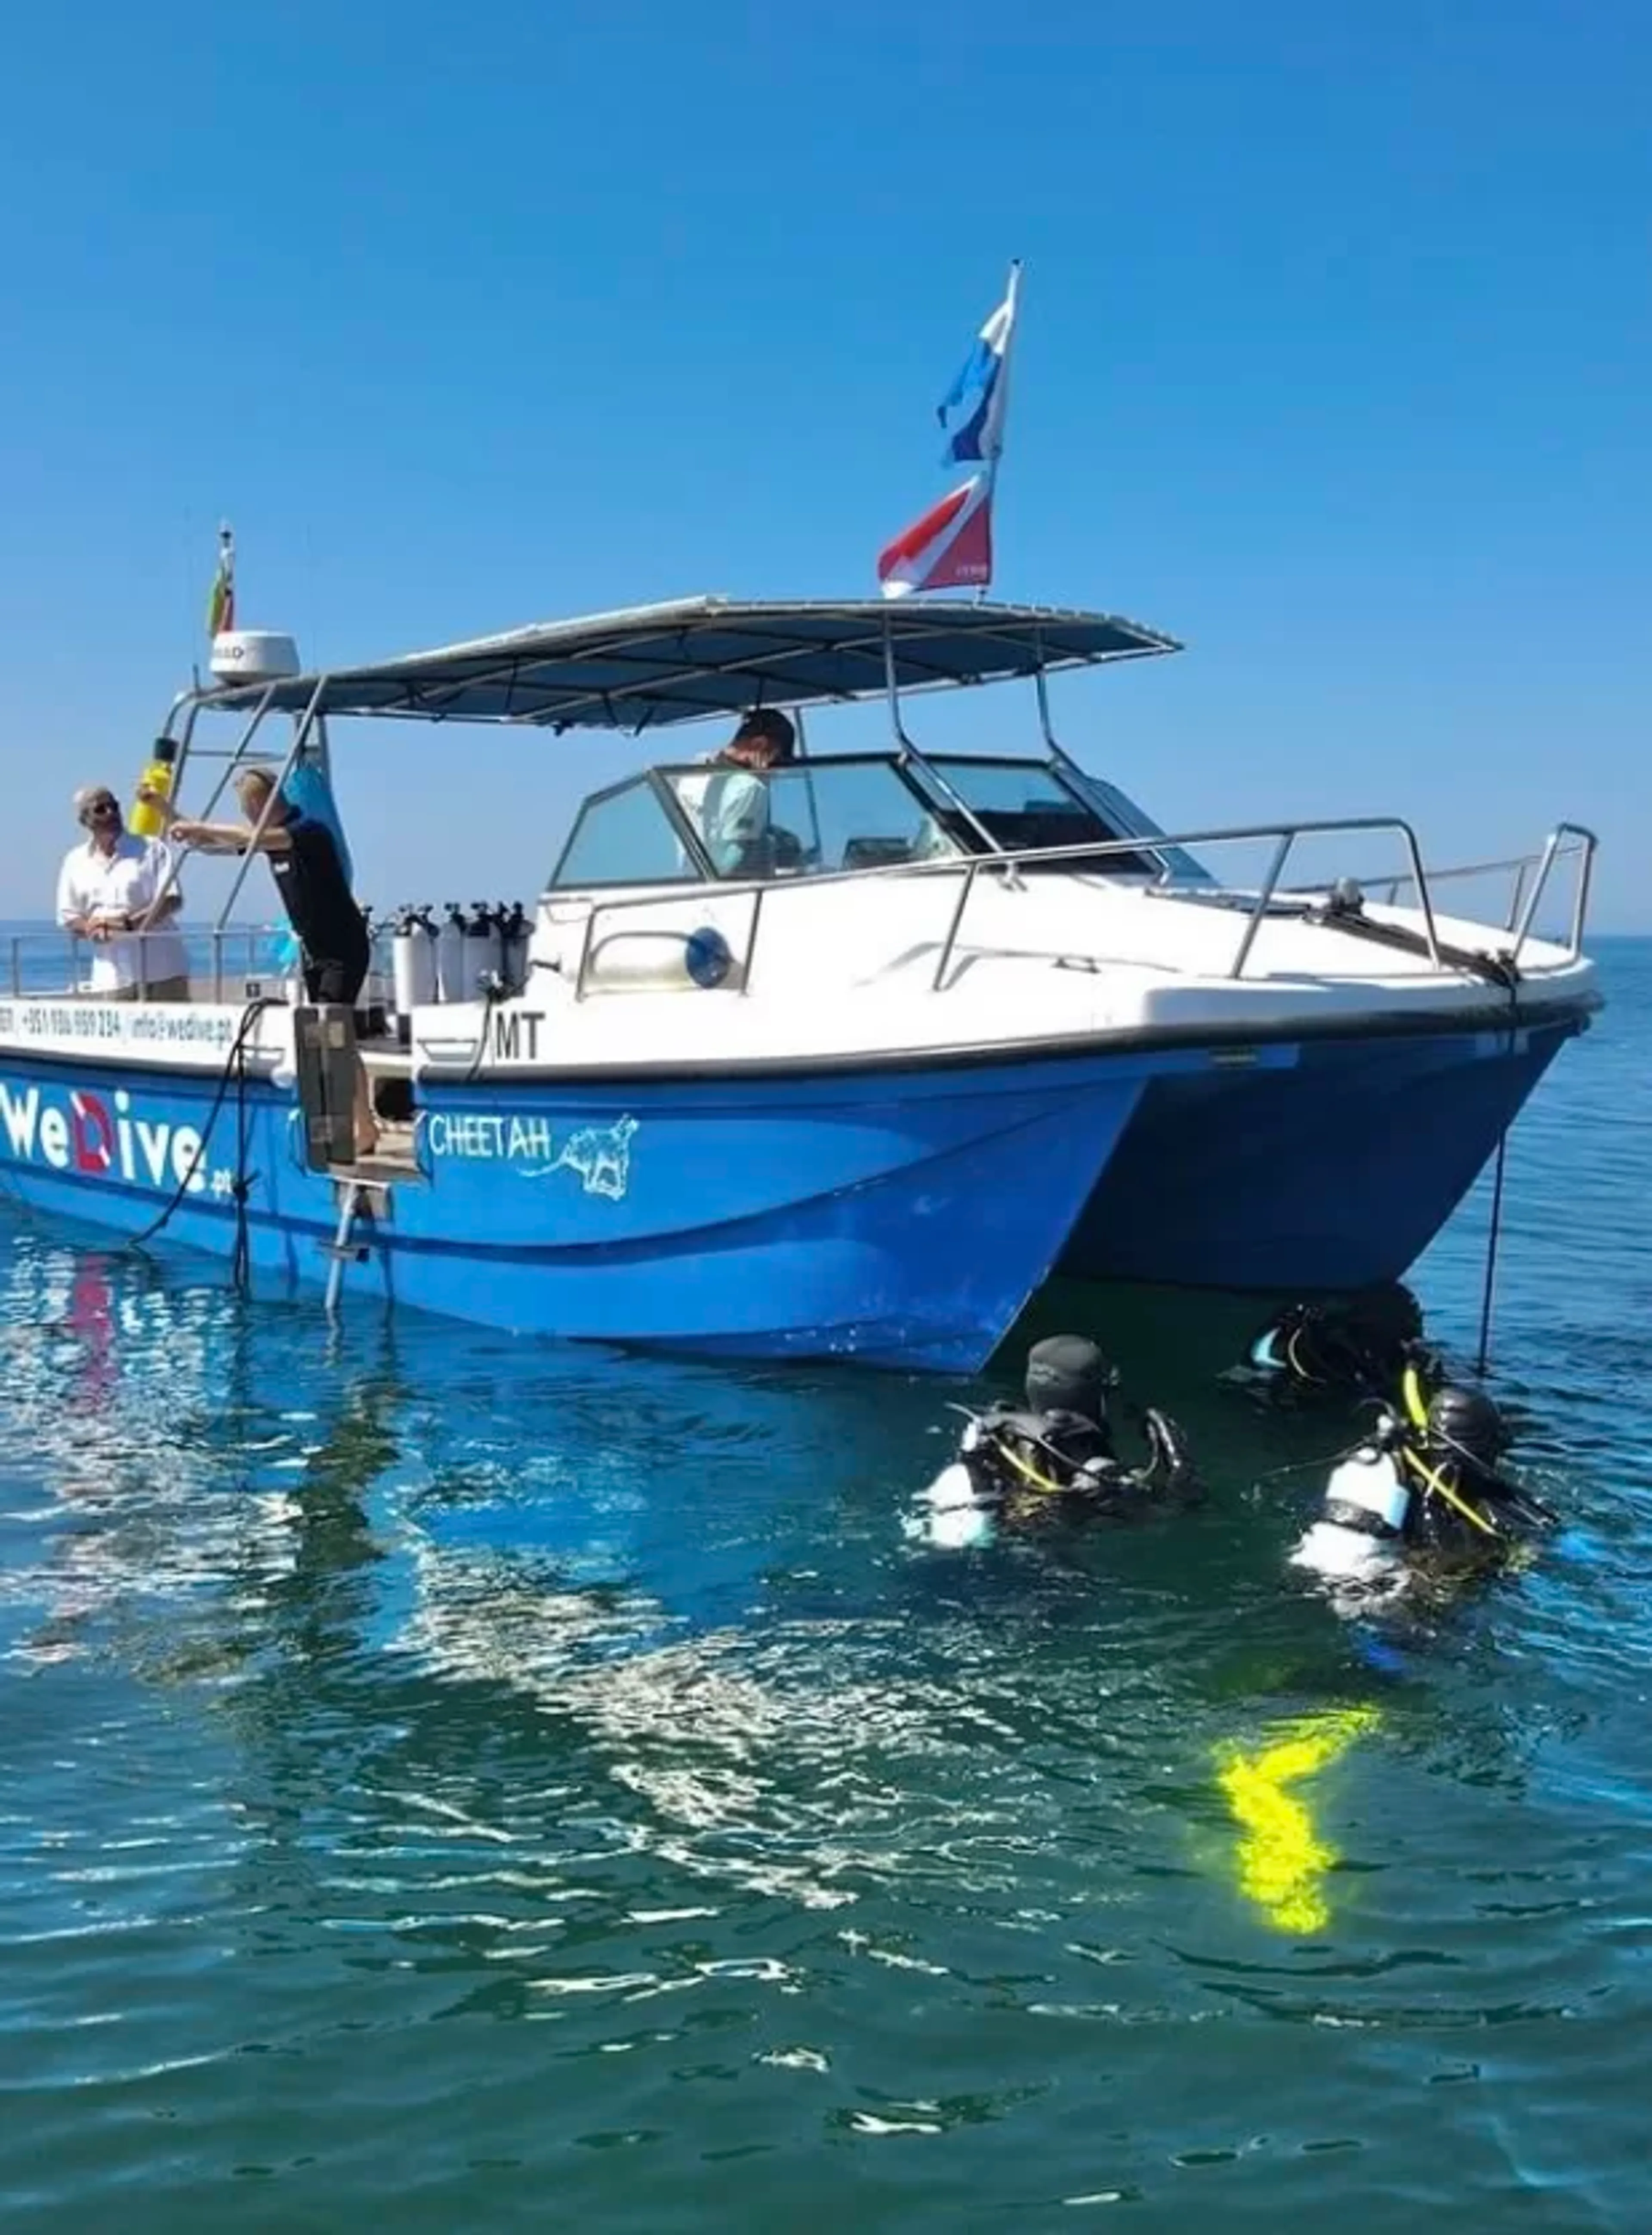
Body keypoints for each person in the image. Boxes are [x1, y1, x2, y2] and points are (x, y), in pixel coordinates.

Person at [154, 766, 377, 1155]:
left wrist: (198, 825)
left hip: (344, 948)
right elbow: (216, 846)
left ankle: (356, 1127)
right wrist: (169, 813)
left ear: (265, 803)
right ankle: (361, 1123)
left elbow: (248, 837)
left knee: (331, 1031)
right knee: (335, 1035)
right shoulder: (268, 840)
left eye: (250, 809)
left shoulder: (308, 832)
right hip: (315, 950)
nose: (248, 818)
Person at [910, 1335, 1198, 1549]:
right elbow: (1173, 1515)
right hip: (1041, 1575)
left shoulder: (1000, 1438)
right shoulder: (1095, 1469)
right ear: (1095, 1396)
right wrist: (1179, 1461)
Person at [55, 783, 191, 1001]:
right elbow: (69, 917)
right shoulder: (75, 861)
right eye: (101, 809)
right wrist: (92, 927)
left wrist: (128, 924)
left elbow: (171, 900)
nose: (111, 813)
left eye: (114, 807)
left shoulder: (151, 848)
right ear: (85, 821)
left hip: (162, 970)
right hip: (111, 976)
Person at [699, 709, 798, 874]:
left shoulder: (696, 778)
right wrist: (761, 786)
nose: (777, 772)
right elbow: (735, 856)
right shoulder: (750, 787)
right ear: (760, 745)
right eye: (777, 760)